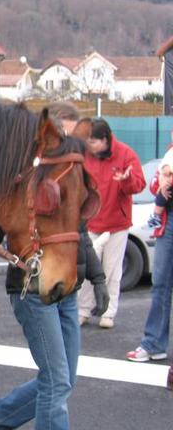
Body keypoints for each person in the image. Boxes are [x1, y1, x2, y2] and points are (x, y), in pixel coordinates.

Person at [0, 103, 109, 430]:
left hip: (68, 289)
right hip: (32, 288)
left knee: (64, 379)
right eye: (61, 133)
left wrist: (98, 278)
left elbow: (80, 234)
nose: (66, 141)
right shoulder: (20, 175)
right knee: (57, 380)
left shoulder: (70, 174)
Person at [78, 118, 145, 329]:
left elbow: (139, 184)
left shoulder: (126, 154)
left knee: (112, 270)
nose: (90, 146)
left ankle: (108, 312)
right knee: (87, 269)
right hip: (90, 222)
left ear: (105, 140)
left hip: (117, 223)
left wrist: (126, 179)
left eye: (93, 142)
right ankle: (83, 310)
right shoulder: (84, 156)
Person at [126, 149, 173, 363]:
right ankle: (153, 343)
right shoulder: (170, 153)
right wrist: (162, 185)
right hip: (168, 221)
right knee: (160, 284)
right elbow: (154, 184)